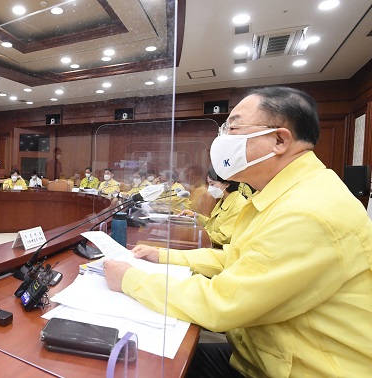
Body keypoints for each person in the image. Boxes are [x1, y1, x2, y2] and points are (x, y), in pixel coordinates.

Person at [103, 86, 372, 377]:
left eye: (233, 126)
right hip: (259, 357)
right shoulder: (286, 193)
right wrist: (162, 255)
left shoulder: (308, 210)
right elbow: (238, 258)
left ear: (279, 140)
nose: (222, 138)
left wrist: (130, 279)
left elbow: (222, 303)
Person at [178, 167, 247, 246]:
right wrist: (195, 216)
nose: (210, 188)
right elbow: (212, 224)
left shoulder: (238, 206)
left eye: (212, 184)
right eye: (209, 184)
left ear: (227, 184)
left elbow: (224, 237)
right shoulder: (222, 200)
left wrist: (197, 234)